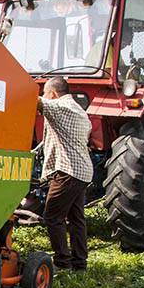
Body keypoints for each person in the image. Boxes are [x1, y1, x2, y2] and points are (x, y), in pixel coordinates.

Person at [37, 76, 93, 271]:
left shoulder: (60, 107)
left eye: (44, 91)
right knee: (77, 219)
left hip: (67, 171)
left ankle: (62, 262)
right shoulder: (80, 111)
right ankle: (80, 263)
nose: (44, 95)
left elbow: (36, 101)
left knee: (52, 216)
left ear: (52, 93)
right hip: (82, 171)